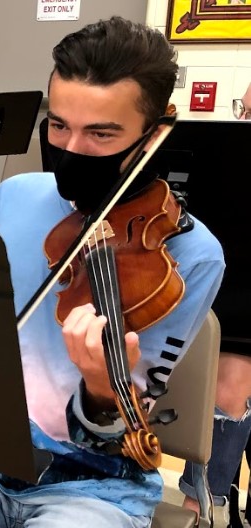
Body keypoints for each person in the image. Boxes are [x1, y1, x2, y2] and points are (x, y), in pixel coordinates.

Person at [0, 17, 225, 528]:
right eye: (59, 125)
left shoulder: (190, 255)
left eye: (101, 134)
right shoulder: (15, 196)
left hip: (97, 486)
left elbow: (124, 425)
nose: (72, 149)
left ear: (154, 134)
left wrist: (102, 387)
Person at [179, 82, 251, 521]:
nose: (244, 121)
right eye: (244, 110)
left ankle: (201, 506)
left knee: (231, 380)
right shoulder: (227, 154)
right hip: (232, 275)